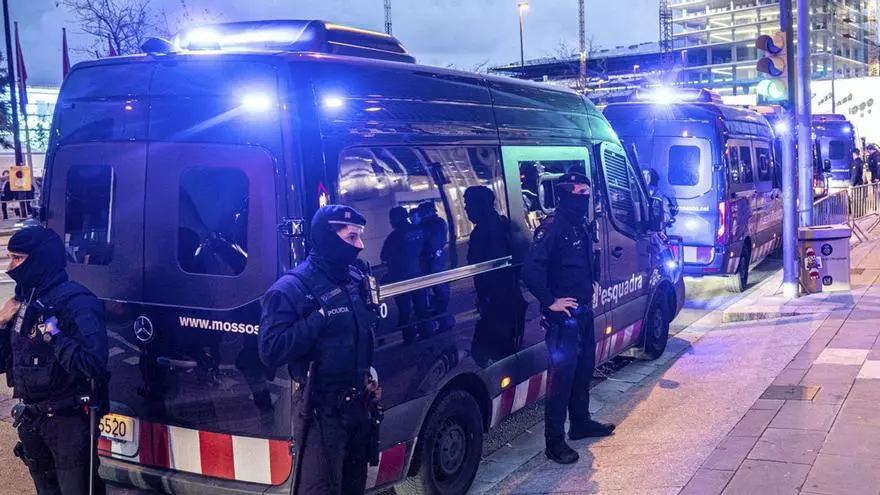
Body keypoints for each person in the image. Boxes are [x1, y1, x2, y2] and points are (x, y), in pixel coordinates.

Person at [259, 205, 379, 495]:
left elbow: (361, 333)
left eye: (360, 237)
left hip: (359, 407)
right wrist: (317, 319)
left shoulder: (355, 279)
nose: (360, 246)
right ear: (327, 237)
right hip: (321, 413)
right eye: (351, 237)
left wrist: (371, 373)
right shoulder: (291, 288)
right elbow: (270, 349)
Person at [0, 226, 109, 495]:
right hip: (32, 420)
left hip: (68, 423)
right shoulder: (22, 302)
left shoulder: (77, 302)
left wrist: (52, 333)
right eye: (10, 258)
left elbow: (93, 364)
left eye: (18, 258)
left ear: (41, 258)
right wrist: (1, 324)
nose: (10, 268)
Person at [521, 173, 615, 465]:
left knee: (584, 370)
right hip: (563, 319)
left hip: (583, 312)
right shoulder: (552, 228)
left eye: (586, 191)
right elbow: (531, 272)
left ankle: (580, 422)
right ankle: (554, 442)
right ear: (564, 194)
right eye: (578, 191)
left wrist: (592, 281)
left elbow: (586, 259)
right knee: (561, 380)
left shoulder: (579, 224)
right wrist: (550, 302)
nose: (583, 197)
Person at [465, 186, 527, 365]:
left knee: (489, 354)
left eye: (468, 204)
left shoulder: (483, 232)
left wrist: (486, 299)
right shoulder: (503, 223)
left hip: (499, 303)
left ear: (480, 204)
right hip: (510, 298)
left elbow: (487, 269)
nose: (466, 209)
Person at [380, 206, 431, 342]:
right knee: (422, 306)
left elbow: (384, 256)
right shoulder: (419, 230)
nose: (390, 222)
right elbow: (428, 249)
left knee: (404, 309)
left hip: (401, 278)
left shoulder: (394, 236)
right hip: (419, 274)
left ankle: (409, 336)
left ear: (395, 219)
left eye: (391, 219)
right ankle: (427, 331)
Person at [417, 201, 452, 331]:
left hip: (432, 261)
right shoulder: (438, 222)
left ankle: (443, 320)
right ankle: (443, 319)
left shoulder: (430, 224)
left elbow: (431, 242)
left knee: (439, 291)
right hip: (436, 260)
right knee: (440, 291)